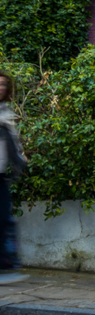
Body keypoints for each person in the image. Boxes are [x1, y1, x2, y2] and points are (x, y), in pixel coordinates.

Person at [0, 71, 28, 284]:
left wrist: (20, 160)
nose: (1, 88)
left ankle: (5, 264)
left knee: (3, 218)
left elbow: (13, 141)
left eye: (3, 85)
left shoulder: (6, 112)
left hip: (1, 174)